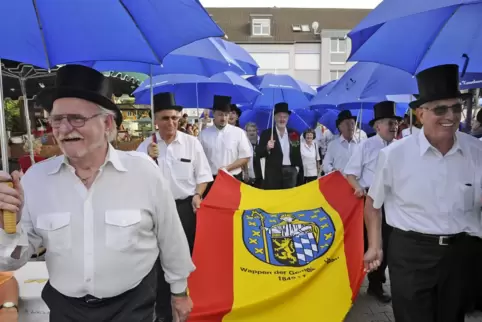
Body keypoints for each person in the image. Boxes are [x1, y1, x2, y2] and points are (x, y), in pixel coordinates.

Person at [0, 65, 194, 322]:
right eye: (57, 119)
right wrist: (7, 229)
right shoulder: (35, 180)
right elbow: (13, 261)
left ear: (107, 123)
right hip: (66, 311)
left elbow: (171, 238)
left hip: (132, 307)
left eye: (77, 118)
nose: (65, 128)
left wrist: (179, 291)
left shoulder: (144, 172)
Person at [364, 64, 482, 322]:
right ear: (420, 114)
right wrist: (375, 245)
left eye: (456, 107)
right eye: (440, 109)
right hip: (410, 255)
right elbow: (373, 202)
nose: (450, 116)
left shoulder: (476, 151)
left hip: (460, 255)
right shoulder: (394, 155)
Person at [136, 92, 212, 322]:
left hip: (184, 209)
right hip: (155, 212)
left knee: (184, 259)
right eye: (165, 118)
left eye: (175, 118)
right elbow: (136, 180)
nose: (171, 123)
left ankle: (187, 307)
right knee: (157, 262)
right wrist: (147, 159)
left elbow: (204, 176)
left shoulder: (192, 144)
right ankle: (162, 313)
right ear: (155, 120)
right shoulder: (144, 147)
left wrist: (198, 195)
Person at [344, 100, 401, 303]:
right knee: (367, 243)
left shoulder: (400, 147)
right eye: (389, 123)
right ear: (377, 126)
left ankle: (376, 284)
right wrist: (358, 188)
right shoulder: (365, 146)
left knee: (387, 243)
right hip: (370, 202)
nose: (394, 126)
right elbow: (350, 173)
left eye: (395, 123)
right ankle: (356, 280)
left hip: (394, 202)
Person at [199, 95, 252, 197]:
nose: (223, 118)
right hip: (211, 181)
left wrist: (227, 168)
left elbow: (245, 157)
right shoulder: (203, 135)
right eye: (220, 115)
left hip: (233, 178)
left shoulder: (239, 133)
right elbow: (198, 160)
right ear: (213, 113)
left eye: (226, 115)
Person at [256, 102, 304, 189]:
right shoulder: (266, 134)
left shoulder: (294, 133)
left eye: (284, 117)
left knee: (289, 199)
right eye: (279, 116)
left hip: (291, 172)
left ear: (288, 118)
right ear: (274, 117)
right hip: (273, 174)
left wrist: (297, 169)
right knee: (275, 199)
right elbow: (259, 153)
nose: (282, 119)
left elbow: (297, 153)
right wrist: (267, 148)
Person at [323, 110, 358, 174]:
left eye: (352, 123)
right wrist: (333, 170)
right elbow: (325, 165)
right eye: (347, 123)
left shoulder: (360, 144)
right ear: (340, 127)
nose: (351, 126)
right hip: (339, 181)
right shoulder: (332, 145)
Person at [243, 122, 262, 187]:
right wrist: (245, 173)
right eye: (249, 130)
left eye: (254, 130)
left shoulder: (262, 142)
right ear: (246, 132)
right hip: (249, 175)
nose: (252, 132)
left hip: (261, 175)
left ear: (257, 131)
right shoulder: (243, 143)